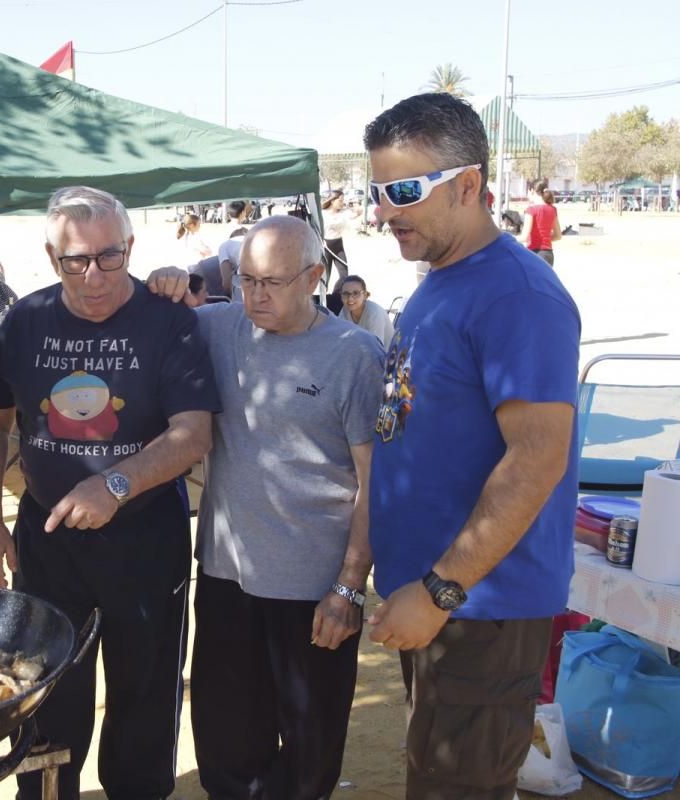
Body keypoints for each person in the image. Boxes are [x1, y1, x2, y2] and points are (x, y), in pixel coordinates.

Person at [0, 185, 219, 800]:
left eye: (110, 257)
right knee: (47, 694)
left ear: (130, 247)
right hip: (48, 543)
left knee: (145, 695)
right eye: (76, 261)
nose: (95, 276)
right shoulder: (26, 319)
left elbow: (193, 435)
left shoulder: (169, 321)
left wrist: (116, 482)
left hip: (145, 541)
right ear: (53, 259)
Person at [364, 92, 580, 800]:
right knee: (435, 774)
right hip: (439, 603)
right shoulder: (442, 281)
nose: (382, 212)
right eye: (376, 191)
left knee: (458, 787)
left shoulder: (518, 296)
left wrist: (438, 590)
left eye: (402, 191)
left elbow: (537, 461)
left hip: (479, 609)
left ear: (466, 186)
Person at [149, 215, 383, 799]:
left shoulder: (356, 354)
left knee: (309, 755)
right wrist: (162, 281)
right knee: (224, 746)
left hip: (314, 590)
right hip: (227, 578)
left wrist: (351, 587)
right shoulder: (217, 326)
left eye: (273, 282)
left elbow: (374, 481)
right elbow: (140, 315)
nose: (255, 295)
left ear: (315, 276)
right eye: (246, 278)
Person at [337, 275, 394, 348]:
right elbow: (341, 340)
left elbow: (375, 349)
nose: (350, 298)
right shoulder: (345, 311)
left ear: (365, 295)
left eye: (356, 293)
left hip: (386, 356)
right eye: (345, 294)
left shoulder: (374, 313)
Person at [321, 189, 359, 285]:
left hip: (338, 246)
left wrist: (356, 205)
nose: (342, 203)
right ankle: (324, 298)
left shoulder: (343, 213)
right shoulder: (322, 213)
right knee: (326, 276)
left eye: (343, 200)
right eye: (340, 200)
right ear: (333, 200)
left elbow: (357, 213)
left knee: (344, 275)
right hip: (326, 247)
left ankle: (339, 295)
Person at [522, 180, 562, 266]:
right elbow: (558, 235)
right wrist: (545, 239)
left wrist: (509, 239)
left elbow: (524, 237)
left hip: (534, 253)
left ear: (532, 191)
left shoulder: (531, 210)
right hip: (548, 254)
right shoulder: (552, 209)